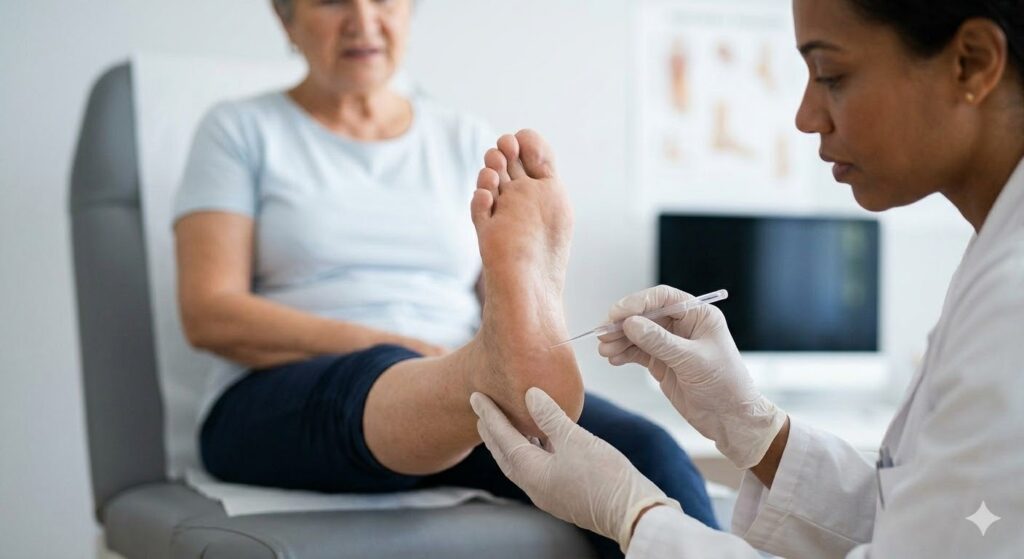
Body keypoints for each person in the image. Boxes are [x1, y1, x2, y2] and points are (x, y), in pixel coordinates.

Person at [471, 0, 1024, 556]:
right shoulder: (997, 257)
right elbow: (922, 525)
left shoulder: (1012, 301)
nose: (805, 117)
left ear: (971, 63)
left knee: (656, 455)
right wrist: (755, 428)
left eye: (831, 76)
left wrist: (635, 516)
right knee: (657, 451)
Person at [173, 0, 716, 556]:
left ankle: (485, 373)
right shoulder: (239, 130)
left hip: (444, 392)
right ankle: (481, 374)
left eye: (384, 0)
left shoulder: (461, 139)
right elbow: (209, 312)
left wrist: (507, 336)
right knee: (392, 370)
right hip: (285, 393)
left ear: (410, 12)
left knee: (644, 455)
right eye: (332, 1)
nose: (364, 20)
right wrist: (386, 344)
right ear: (285, 19)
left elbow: (501, 312)